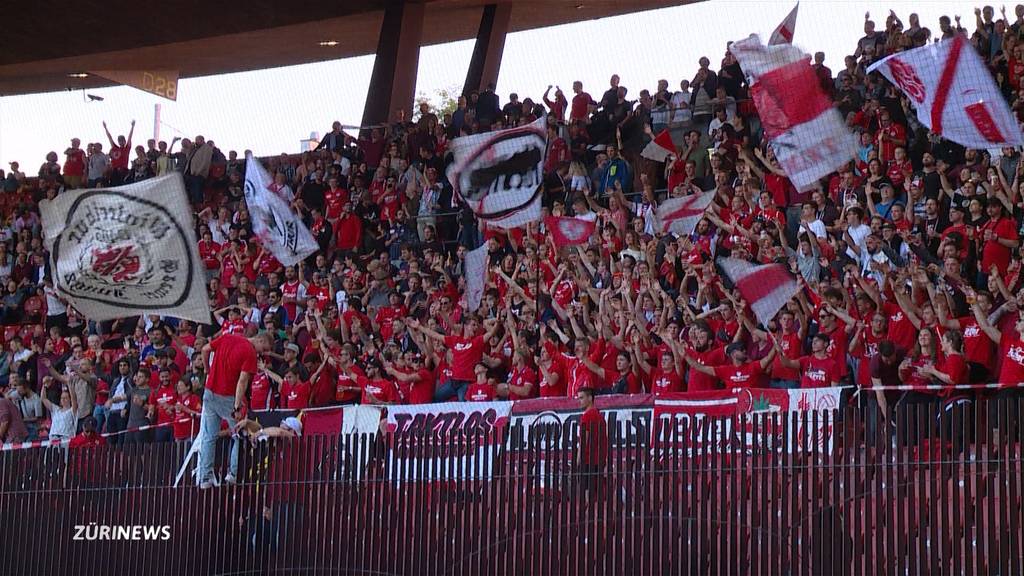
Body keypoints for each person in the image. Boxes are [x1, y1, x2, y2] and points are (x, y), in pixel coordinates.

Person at [197, 332, 271, 488]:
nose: (261, 354)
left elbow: (204, 349)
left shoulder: (227, 337)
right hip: (228, 396)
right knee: (239, 433)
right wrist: (237, 405)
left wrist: (207, 369)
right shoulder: (250, 352)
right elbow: (242, 381)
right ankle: (233, 473)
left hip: (210, 391)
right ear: (260, 340)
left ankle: (204, 477)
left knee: (209, 436)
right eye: (263, 349)